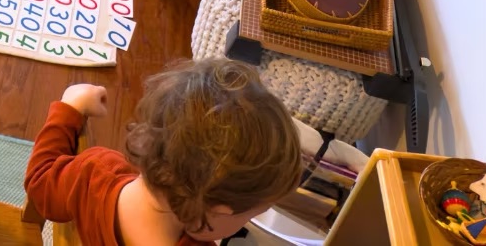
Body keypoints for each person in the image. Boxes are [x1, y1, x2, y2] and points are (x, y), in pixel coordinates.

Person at [24, 59, 303, 246]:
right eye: (249, 216)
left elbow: (40, 182)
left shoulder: (93, 172)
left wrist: (69, 109)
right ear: (218, 211)